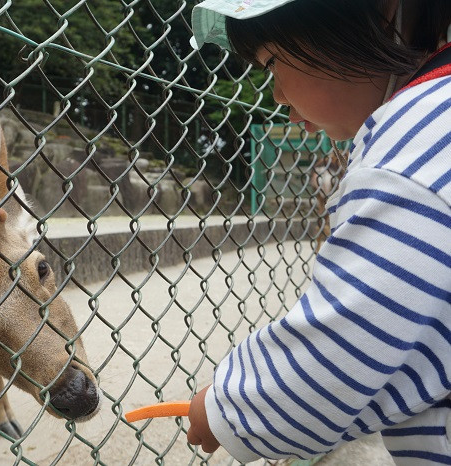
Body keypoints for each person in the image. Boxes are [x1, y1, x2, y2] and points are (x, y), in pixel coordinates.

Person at [186, 0, 451, 464]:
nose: (277, 97)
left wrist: (227, 407)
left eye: (271, 63)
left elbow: (347, 343)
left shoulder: (409, 154)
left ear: (380, 10)